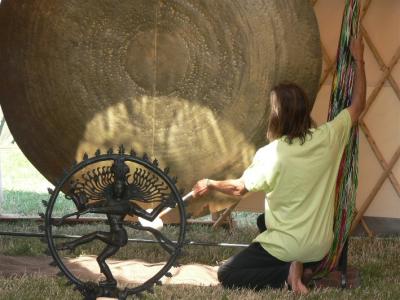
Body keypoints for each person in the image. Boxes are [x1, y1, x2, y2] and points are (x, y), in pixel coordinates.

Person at [192, 36, 365, 294]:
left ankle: (288, 274)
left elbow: (240, 189)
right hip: (319, 246)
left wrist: (211, 183)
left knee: (228, 274)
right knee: (264, 220)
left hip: (287, 247)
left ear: (276, 117)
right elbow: (358, 105)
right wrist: (359, 58)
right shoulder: (329, 136)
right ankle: (306, 268)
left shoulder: (271, 153)